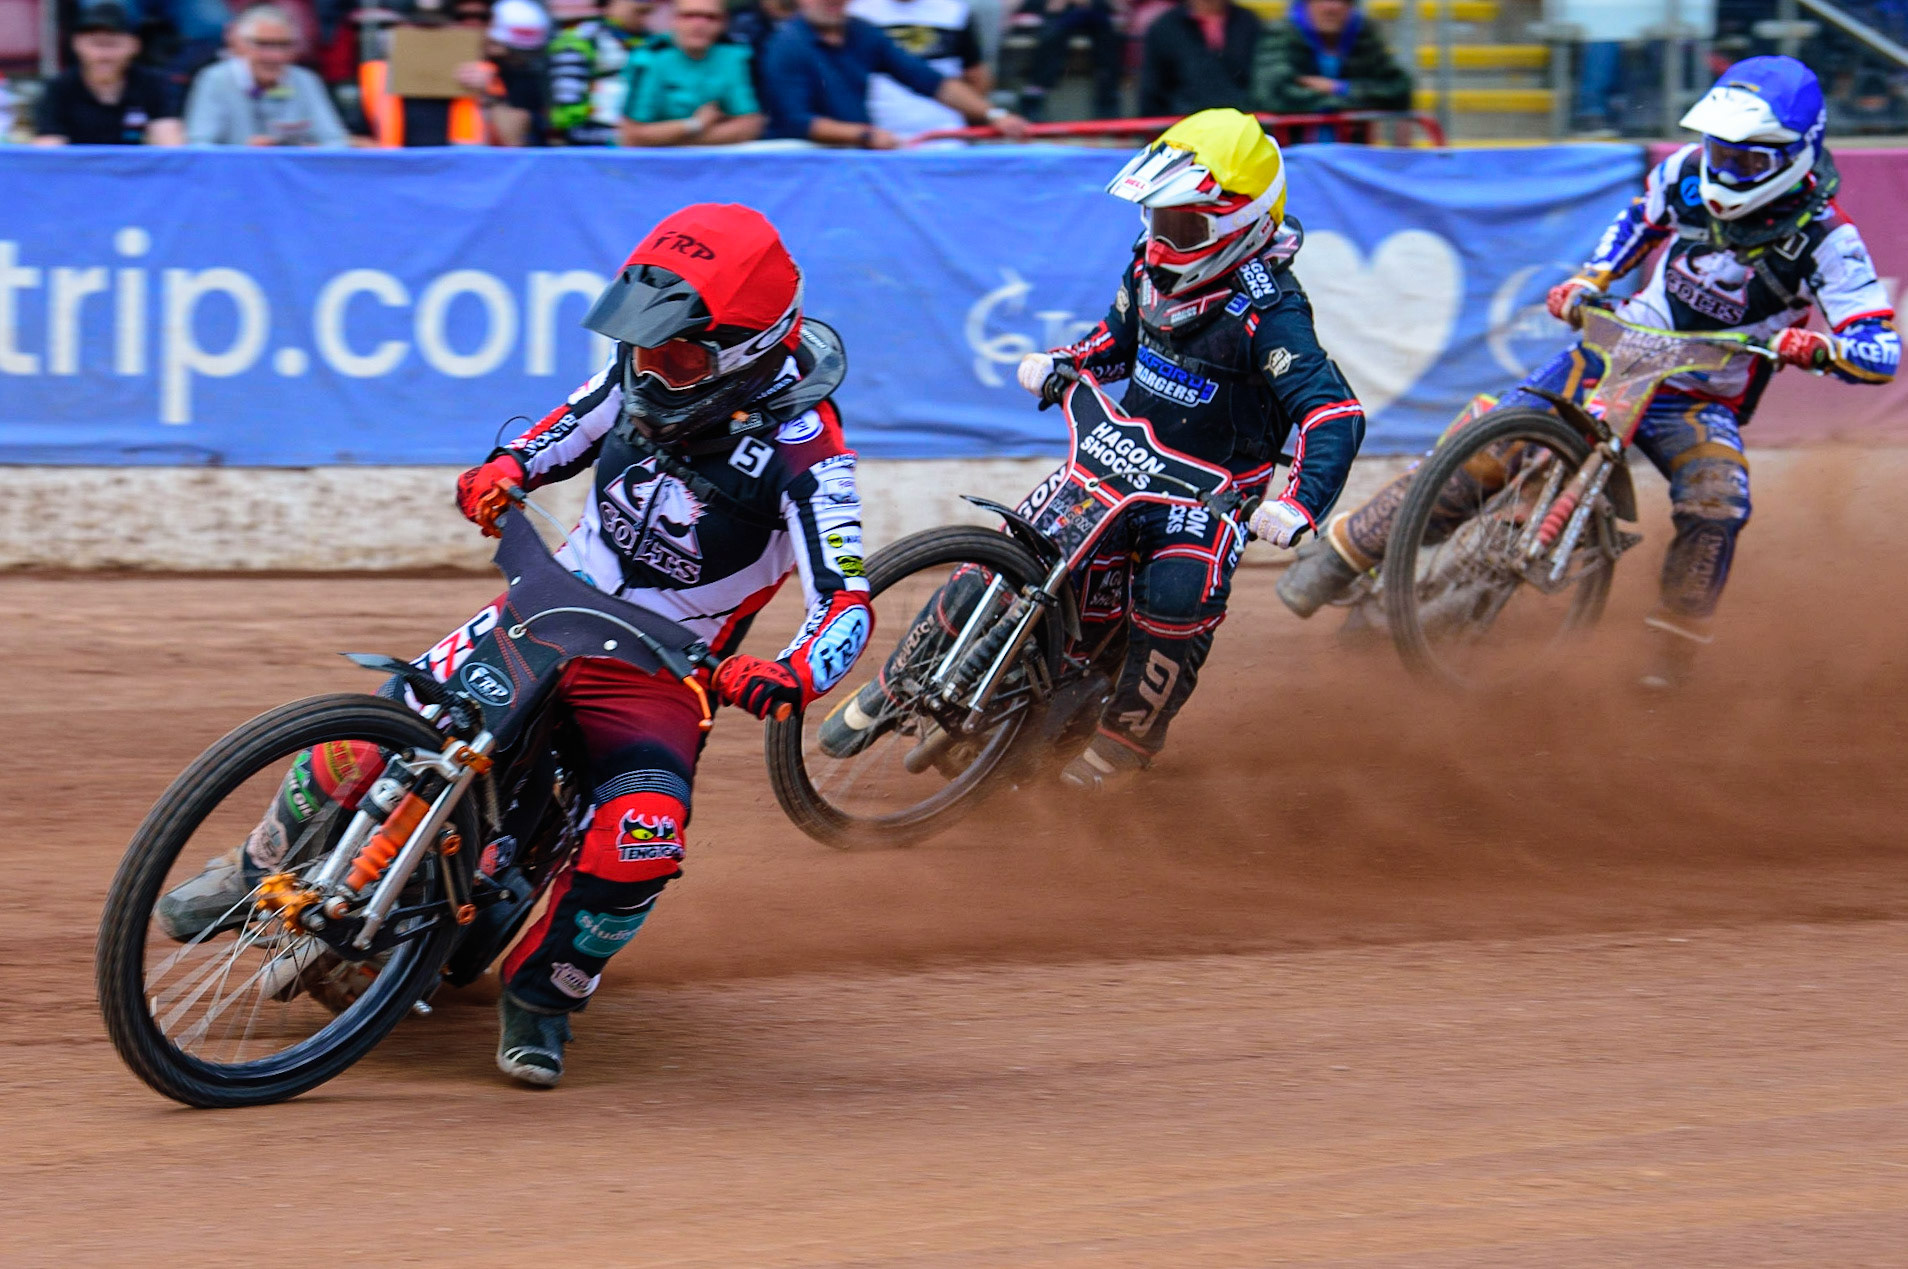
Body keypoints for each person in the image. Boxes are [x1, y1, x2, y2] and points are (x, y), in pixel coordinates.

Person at [156, 204, 874, 1087]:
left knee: (641, 836)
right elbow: (559, 430)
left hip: (659, 669)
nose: (652, 364)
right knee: (376, 727)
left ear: (741, 351)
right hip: (545, 607)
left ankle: (545, 995)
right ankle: (254, 866)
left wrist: (794, 671)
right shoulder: (641, 373)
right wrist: (506, 468)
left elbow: (847, 602)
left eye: (678, 352)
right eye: (646, 344)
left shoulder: (813, 456)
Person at [1276, 57, 1900, 688]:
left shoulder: (1828, 237)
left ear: (1797, 154)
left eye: (1748, 161)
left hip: (1696, 394)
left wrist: (1820, 349)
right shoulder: (1685, 172)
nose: (1726, 169)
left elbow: (1881, 349)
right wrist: (1589, 278)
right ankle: (1344, 552)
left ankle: (1671, 654)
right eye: (1720, 150)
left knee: (1719, 499)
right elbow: (1636, 223)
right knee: (1490, 449)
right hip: (1616, 350)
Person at [828, 110, 1365, 789]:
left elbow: (1332, 413)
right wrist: (1063, 361)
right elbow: (1112, 342)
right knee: (1013, 546)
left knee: (1177, 595)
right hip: (1117, 456)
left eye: (1182, 226)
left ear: (1242, 226)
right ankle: (894, 681)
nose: (1162, 240)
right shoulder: (1147, 267)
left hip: (1205, 495)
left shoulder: (1272, 310)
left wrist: (1297, 504)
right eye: (1154, 218)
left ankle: (1120, 748)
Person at [759, 0, 1026, 148]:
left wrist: (995, 115)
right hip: (801, 168)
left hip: (852, 161)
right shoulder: (786, 44)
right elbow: (795, 120)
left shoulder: (862, 32)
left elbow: (929, 81)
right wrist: (864, 135)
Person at [182, 3, 348, 145]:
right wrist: (247, 153)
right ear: (238, 44)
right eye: (263, 44)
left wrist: (305, 151)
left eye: (284, 45)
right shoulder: (216, 79)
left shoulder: (305, 81)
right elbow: (200, 146)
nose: (275, 56)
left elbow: (336, 142)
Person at [33, 2, 184, 146]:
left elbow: (171, 150)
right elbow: (50, 154)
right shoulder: (58, 89)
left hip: (137, 171)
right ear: (76, 44)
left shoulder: (154, 85)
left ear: (134, 46)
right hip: (77, 171)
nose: (104, 56)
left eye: (113, 45)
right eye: (95, 44)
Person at [617, 0, 764, 145]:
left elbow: (749, 126)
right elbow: (632, 135)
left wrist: (671, 139)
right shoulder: (649, 58)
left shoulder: (733, 57)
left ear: (724, 22)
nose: (699, 25)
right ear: (673, 20)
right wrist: (694, 125)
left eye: (710, 17)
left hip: (711, 161)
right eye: (689, 16)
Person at [846, 0, 990, 141]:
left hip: (946, 136)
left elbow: (975, 75)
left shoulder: (956, 11)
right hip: (877, 137)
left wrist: (982, 117)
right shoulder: (855, 12)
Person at [1250, 0, 1410, 119]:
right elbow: (1273, 96)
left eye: (1342, 0)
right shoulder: (1280, 35)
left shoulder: (1364, 36)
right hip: (1292, 155)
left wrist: (1340, 88)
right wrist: (1354, 104)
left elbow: (1399, 90)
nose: (1331, 8)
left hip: (1350, 157)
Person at [1136, 0, 1258, 118]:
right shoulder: (1164, 28)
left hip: (1243, 124)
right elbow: (1151, 94)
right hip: (1183, 128)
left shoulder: (1249, 23)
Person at [546, 0, 642, 145]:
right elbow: (565, 115)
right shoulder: (581, 39)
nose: (646, 4)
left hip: (635, 136)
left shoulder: (648, 41)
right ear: (608, 5)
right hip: (590, 141)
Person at [1012, 0, 1124, 122]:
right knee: (1052, 35)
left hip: (1093, 10)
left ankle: (1108, 98)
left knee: (1107, 36)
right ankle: (1034, 94)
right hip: (1058, 11)